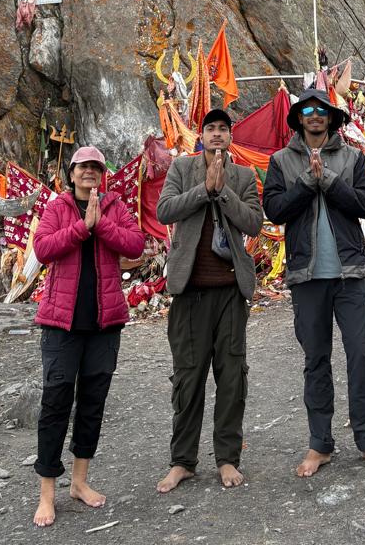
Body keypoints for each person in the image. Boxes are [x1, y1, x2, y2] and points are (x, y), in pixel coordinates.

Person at [262, 87, 365, 475]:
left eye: (321, 110)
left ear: (331, 117)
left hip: (350, 274)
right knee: (315, 361)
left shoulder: (352, 157)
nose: (315, 115)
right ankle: (320, 445)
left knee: (361, 355)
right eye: (307, 110)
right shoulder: (281, 161)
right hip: (307, 277)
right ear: (299, 118)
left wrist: (331, 182)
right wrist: (307, 182)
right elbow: (275, 209)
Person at [31, 145, 146, 527]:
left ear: (102, 174)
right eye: (83, 167)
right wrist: (82, 228)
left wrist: (101, 225)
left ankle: (79, 482)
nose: (89, 172)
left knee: (93, 402)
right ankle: (47, 493)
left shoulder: (115, 207)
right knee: (55, 403)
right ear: (72, 173)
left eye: (96, 167)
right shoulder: (57, 207)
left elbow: (135, 244)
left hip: (104, 325)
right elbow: (43, 248)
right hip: (60, 325)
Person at [155, 108, 264, 492]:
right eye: (210, 128)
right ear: (201, 136)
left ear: (230, 137)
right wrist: (204, 189)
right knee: (188, 378)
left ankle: (227, 458)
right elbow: (164, 210)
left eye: (223, 129)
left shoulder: (244, 176)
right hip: (190, 293)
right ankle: (182, 461)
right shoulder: (181, 168)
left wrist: (223, 191)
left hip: (230, 292)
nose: (217, 134)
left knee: (232, 377)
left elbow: (254, 222)